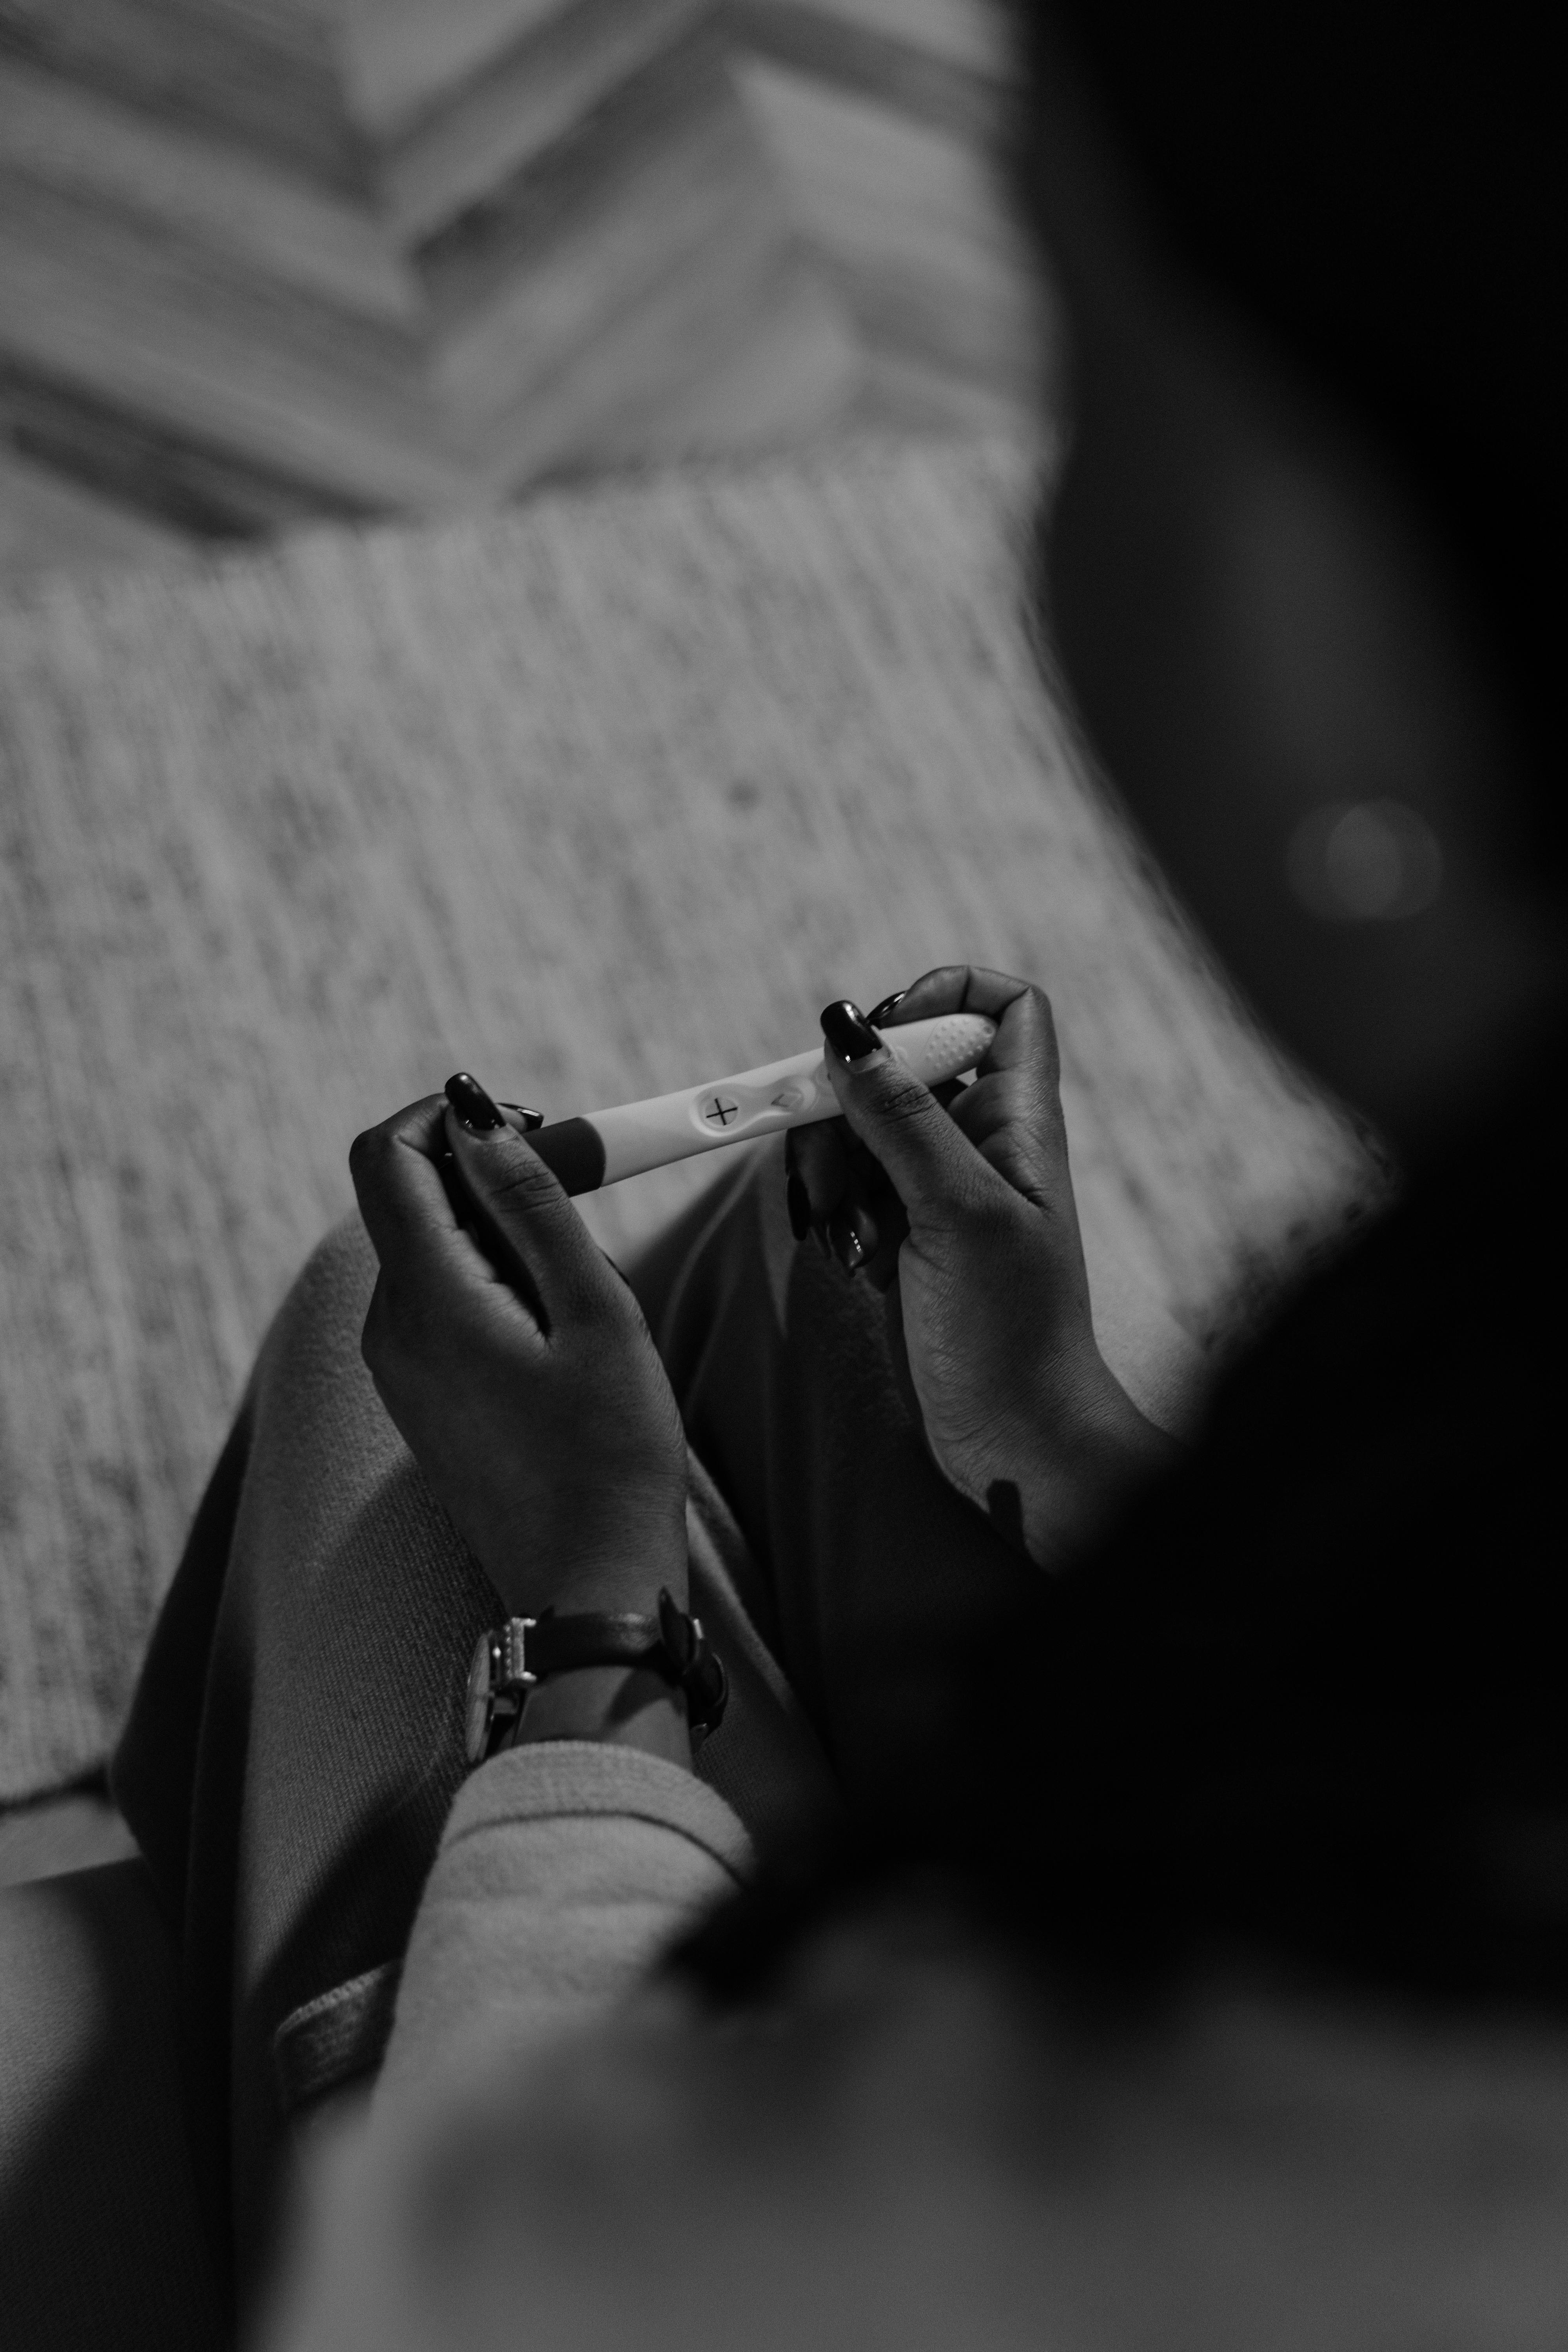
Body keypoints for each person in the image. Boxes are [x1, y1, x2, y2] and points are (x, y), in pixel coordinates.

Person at [4, 4, 1565, 2348]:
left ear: (1344, 664)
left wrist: (603, 1624)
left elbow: (514, 2290)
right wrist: (1059, 1437)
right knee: (787, 1276)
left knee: (378, 1334)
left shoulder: (1271, 2142)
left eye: (1082, 375)